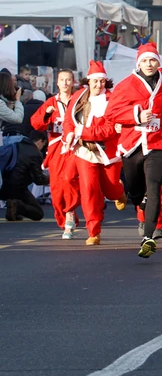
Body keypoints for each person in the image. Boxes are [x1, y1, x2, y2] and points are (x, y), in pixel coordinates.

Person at [104, 43, 162, 259]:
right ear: (138, 63)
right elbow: (110, 113)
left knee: (155, 186)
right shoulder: (126, 84)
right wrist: (136, 115)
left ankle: (148, 237)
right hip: (132, 144)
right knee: (136, 191)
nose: (149, 64)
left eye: (153, 60)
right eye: (145, 61)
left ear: (159, 62)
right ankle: (135, 197)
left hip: (158, 141)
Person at [61, 61, 127, 246]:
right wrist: (69, 134)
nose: (99, 85)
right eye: (95, 81)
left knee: (110, 190)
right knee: (88, 189)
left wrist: (82, 131)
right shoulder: (78, 96)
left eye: (102, 82)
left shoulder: (112, 100)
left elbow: (109, 130)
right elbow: (68, 119)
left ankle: (119, 192)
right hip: (83, 151)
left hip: (107, 152)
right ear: (88, 82)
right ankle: (94, 231)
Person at [30, 70, 81, 236]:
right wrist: (47, 114)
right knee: (57, 189)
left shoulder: (79, 101)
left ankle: (70, 214)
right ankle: (64, 214)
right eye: (62, 80)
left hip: (75, 146)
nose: (65, 83)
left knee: (70, 180)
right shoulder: (51, 102)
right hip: (57, 148)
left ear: (73, 82)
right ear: (57, 83)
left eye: (68, 80)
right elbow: (36, 123)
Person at [0, 130, 48, 221]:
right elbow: (38, 180)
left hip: (3, 185)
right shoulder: (35, 154)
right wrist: (51, 179)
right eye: (43, 144)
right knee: (38, 213)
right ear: (40, 141)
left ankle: (14, 211)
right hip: (18, 187)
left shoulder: (17, 145)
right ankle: (16, 205)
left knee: (15, 196)